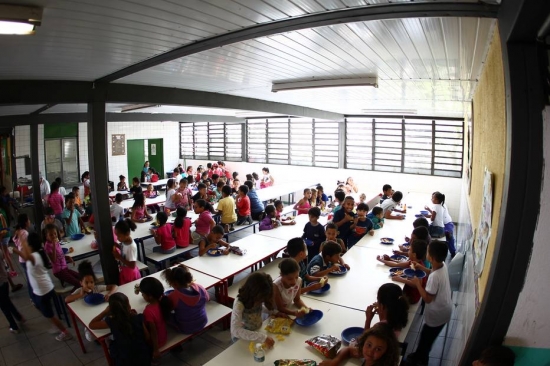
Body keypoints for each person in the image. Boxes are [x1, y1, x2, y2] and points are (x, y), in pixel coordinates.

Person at [12, 232, 72, 341]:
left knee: (49, 314)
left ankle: (65, 332)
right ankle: (54, 322)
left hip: (43, 291)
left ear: (30, 245)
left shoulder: (35, 256)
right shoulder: (36, 254)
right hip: (40, 290)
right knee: (37, 305)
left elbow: (27, 256)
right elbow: (25, 256)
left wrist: (22, 241)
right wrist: (16, 250)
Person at [404, 241, 452, 366]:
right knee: (425, 339)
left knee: (426, 340)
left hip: (437, 314)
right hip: (445, 310)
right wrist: (422, 268)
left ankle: (421, 360)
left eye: (427, 251)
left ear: (431, 257)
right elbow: (432, 272)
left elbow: (427, 299)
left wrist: (417, 284)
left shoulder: (434, 277)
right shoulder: (442, 265)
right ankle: (418, 354)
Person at [89, 293, 152, 365]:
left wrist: (105, 311)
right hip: (144, 358)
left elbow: (92, 325)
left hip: (125, 361)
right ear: (129, 307)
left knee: (111, 343)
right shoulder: (138, 318)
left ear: (111, 310)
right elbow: (147, 337)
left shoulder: (112, 321)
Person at [230, 272, 281, 347]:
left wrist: (275, 312)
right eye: (260, 300)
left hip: (257, 332)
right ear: (252, 292)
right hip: (242, 339)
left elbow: (259, 309)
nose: (260, 302)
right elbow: (235, 330)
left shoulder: (257, 298)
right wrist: (262, 337)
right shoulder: (239, 304)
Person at [319, 322, 400, 366]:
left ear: (387, 352)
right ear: (364, 342)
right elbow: (348, 349)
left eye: (378, 349)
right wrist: (334, 362)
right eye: (369, 345)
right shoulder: (370, 357)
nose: (370, 352)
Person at [162, 264, 209, 333]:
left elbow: (169, 308)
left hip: (186, 328)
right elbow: (207, 298)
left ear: (175, 283)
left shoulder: (174, 296)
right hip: (202, 321)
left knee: (166, 315)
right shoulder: (199, 287)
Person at [380, 239, 428, 304]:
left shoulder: (419, 267)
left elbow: (416, 285)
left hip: (412, 296)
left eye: (410, 250)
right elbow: (396, 265)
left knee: (391, 296)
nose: (408, 251)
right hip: (407, 289)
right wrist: (381, 260)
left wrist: (401, 279)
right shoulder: (412, 262)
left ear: (414, 254)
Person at [138, 277, 170, 362]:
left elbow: (153, 332)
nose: (142, 295)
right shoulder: (162, 301)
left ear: (150, 296)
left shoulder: (148, 311)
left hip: (157, 343)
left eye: (143, 294)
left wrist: (155, 350)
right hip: (164, 336)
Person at [43, 223, 80, 290]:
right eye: (51, 235)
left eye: (55, 233)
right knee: (78, 283)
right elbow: (53, 260)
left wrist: (67, 257)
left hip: (65, 268)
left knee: (81, 277)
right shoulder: (47, 246)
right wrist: (54, 245)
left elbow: (60, 254)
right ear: (46, 236)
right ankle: (72, 297)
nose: (54, 236)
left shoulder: (57, 242)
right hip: (59, 271)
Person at [424, 191, 456, 257]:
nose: (431, 199)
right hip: (441, 225)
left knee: (449, 237)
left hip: (447, 223)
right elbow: (435, 214)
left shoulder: (440, 205)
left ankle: (453, 252)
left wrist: (429, 215)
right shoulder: (439, 205)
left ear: (437, 199)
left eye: (433, 198)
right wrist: (429, 210)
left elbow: (434, 216)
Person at [0, 247, 24, 333]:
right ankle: (19, 317)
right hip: (5, 280)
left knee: (4, 307)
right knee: (7, 300)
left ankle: (14, 326)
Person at [112, 219, 141, 285]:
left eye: (119, 236)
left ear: (127, 234)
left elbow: (132, 265)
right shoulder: (124, 241)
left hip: (130, 273)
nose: (117, 238)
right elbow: (124, 249)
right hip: (124, 270)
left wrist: (119, 257)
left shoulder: (131, 247)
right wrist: (117, 245)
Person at [13, 214, 34, 301]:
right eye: (28, 220)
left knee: (29, 278)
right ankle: (32, 297)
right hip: (25, 258)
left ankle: (32, 296)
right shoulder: (25, 233)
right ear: (25, 222)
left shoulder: (18, 232)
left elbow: (16, 242)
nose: (29, 222)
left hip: (21, 260)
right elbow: (25, 247)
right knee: (30, 280)